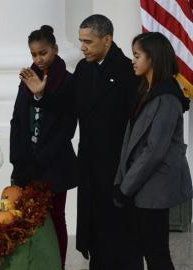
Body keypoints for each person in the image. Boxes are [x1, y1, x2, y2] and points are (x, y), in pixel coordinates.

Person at [114, 31, 192, 270]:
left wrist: (126, 188)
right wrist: (121, 182)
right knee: (145, 249)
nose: (133, 60)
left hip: (154, 188)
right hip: (140, 186)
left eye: (137, 55)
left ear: (153, 58)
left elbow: (154, 150)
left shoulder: (167, 97)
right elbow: (130, 142)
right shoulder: (145, 91)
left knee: (156, 253)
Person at [73, 15, 143, 269]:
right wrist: (40, 95)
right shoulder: (83, 69)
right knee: (96, 236)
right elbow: (69, 109)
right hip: (90, 168)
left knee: (121, 238)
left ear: (107, 40)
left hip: (118, 171)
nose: (83, 47)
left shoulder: (128, 71)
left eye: (88, 41)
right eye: (81, 41)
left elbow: (137, 125)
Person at [10, 25, 78, 269]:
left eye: (43, 53)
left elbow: (66, 128)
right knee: (25, 219)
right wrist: (19, 160)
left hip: (54, 166)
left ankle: (57, 264)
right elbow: (17, 120)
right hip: (26, 164)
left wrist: (41, 95)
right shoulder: (26, 78)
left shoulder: (68, 81)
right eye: (34, 54)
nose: (38, 59)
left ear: (55, 50)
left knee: (55, 218)